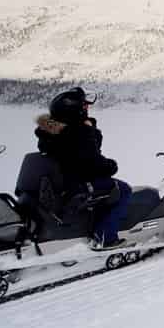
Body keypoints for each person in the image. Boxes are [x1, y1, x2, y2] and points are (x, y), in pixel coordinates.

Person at [35, 87, 132, 250]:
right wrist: (111, 165)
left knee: (105, 188)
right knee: (122, 190)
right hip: (76, 184)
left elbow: (83, 156)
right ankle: (105, 238)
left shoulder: (52, 132)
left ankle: (94, 227)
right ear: (74, 110)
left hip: (64, 182)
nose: (87, 109)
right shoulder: (78, 132)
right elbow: (94, 163)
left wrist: (90, 129)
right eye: (84, 106)